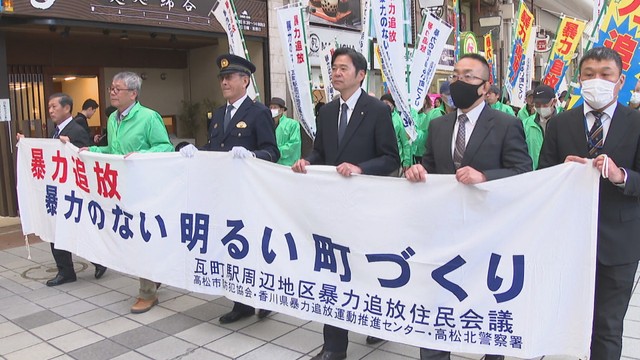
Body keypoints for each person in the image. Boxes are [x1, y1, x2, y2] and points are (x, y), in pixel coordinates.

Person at [405, 53, 532, 360]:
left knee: (486, 302)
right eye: (455, 75)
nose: (458, 82)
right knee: (437, 299)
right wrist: (417, 172)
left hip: (487, 230)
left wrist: (485, 176)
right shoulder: (438, 125)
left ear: (485, 86)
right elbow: (431, 166)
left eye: (468, 76)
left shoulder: (506, 124)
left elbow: (522, 170)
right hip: (444, 229)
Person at [292, 47, 399, 360]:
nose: (336, 74)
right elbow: (322, 153)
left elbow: (391, 158)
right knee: (333, 272)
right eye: (334, 68)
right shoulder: (326, 111)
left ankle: (376, 321)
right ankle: (334, 347)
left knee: (366, 270)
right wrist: (307, 162)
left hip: (366, 205)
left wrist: (360, 169)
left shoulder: (377, 110)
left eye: (343, 68)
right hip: (332, 207)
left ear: (360, 75)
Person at [539, 47, 640, 360]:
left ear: (620, 80)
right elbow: (543, 176)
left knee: (608, 327)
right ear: (579, 80)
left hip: (619, 243)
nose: (597, 80)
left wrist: (620, 174)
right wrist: (562, 173)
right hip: (568, 240)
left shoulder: (636, 123)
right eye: (589, 75)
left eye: (605, 75)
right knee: (566, 322)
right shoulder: (559, 124)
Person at [181, 54, 280, 323]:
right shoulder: (219, 113)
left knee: (255, 248)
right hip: (224, 193)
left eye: (230, 77)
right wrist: (194, 150)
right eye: (222, 78)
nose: (224, 82)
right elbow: (214, 149)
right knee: (234, 248)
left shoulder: (258, 112)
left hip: (249, 193)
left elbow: (272, 151)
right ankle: (242, 302)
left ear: (245, 81)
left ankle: (265, 298)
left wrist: (251, 155)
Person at [86, 71, 174, 314]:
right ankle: (154, 275)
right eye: (111, 88)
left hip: (146, 188)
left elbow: (165, 147)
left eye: (118, 89)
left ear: (133, 93)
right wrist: (91, 150)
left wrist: (141, 156)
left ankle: (147, 293)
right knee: (133, 239)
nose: (112, 92)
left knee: (141, 239)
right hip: (121, 189)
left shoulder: (148, 117)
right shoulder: (114, 119)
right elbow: (114, 150)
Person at [17, 93, 107, 286]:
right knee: (56, 229)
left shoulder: (77, 129)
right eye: (49, 107)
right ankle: (66, 271)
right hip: (58, 189)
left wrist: (71, 145)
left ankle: (98, 260)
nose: (50, 111)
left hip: (73, 191)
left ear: (67, 108)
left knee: (76, 229)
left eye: (54, 107)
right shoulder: (55, 130)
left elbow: (85, 157)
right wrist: (26, 144)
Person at [413, 82, 456, 164]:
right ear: (442, 96)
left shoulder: (463, 113)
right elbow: (423, 136)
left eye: (455, 93)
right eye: (449, 94)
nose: (452, 97)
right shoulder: (433, 114)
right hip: (438, 159)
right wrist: (413, 134)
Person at [520, 84, 560, 169]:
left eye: (545, 104)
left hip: (557, 175)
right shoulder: (526, 124)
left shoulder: (563, 122)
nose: (541, 107)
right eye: (537, 104)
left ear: (554, 102)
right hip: (533, 175)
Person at [380, 93, 412, 172]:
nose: (385, 106)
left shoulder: (399, 120)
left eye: (387, 103)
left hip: (395, 161)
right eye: (382, 103)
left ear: (393, 104)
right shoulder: (377, 117)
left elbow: (405, 143)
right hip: (379, 160)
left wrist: (406, 161)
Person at [269, 97, 301, 166]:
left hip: (288, 164)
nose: (272, 110)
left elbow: (294, 143)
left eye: (275, 107)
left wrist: (277, 152)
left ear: (282, 110)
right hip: (272, 164)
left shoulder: (293, 124)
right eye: (270, 107)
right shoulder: (267, 124)